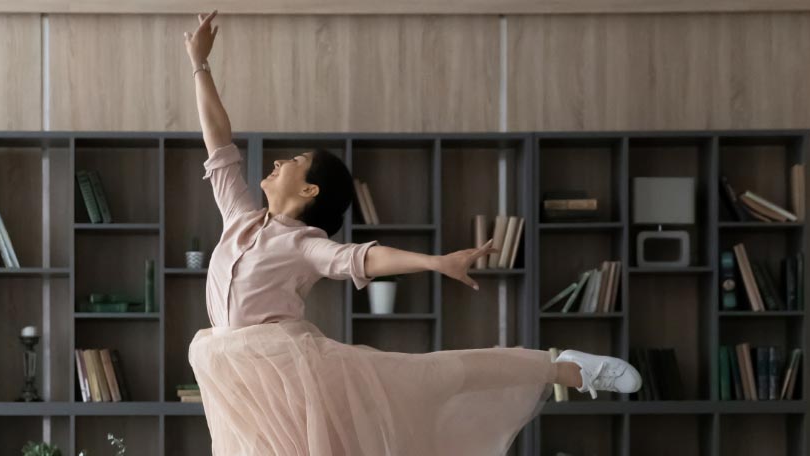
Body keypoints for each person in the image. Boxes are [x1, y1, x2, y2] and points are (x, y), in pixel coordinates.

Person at [183, 11, 641, 456]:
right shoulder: (238, 217)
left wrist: (435, 262)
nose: (279, 161)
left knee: (436, 375)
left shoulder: (302, 244)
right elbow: (219, 142)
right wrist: (200, 65)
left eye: (294, 161)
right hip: (238, 382)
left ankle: (565, 368)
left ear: (309, 189)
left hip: (296, 371)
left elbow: (363, 259)